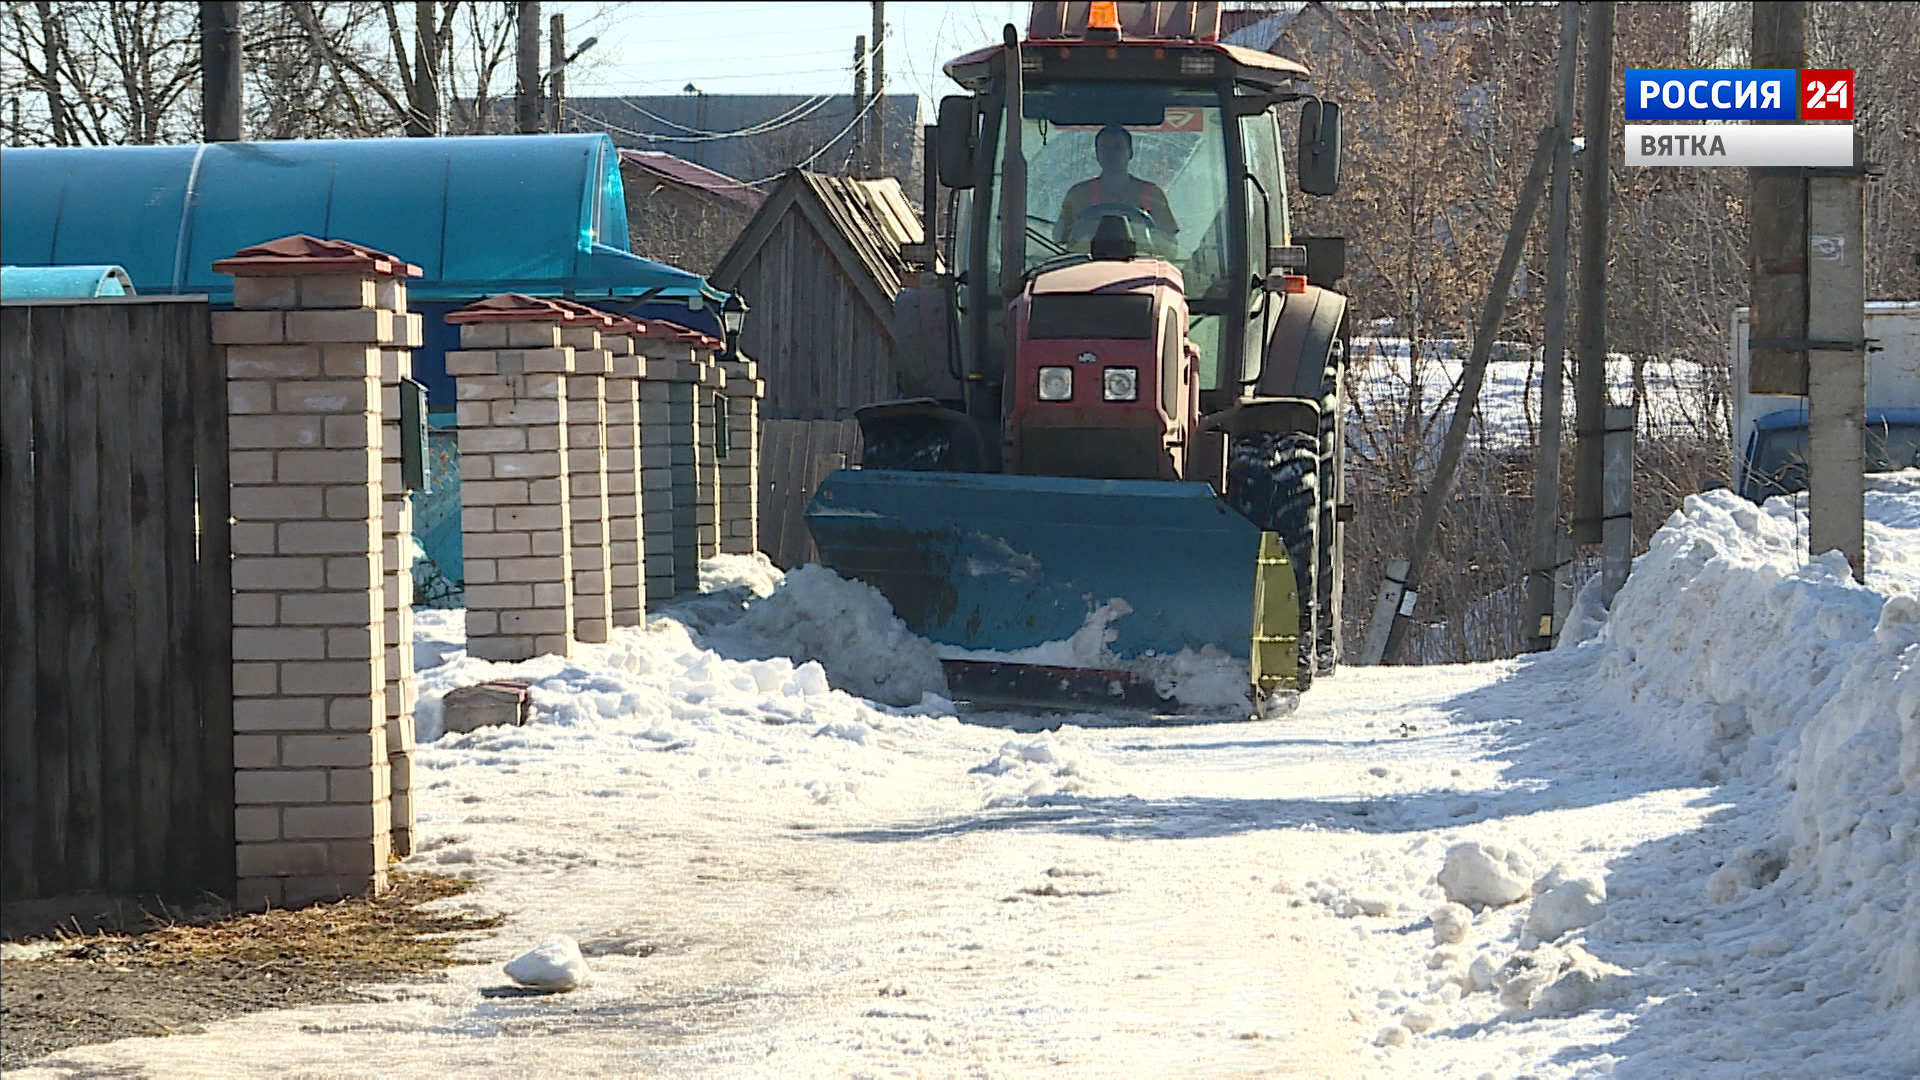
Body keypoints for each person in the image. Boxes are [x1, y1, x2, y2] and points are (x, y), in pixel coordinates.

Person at [1052, 124, 1179, 254]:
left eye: (1118, 147)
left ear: (1131, 153)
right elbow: (1060, 240)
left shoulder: (1152, 195)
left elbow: (1170, 246)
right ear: (1097, 154)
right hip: (1087, 264)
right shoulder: (1077, 195)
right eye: (1105, 148)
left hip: (1141, 264)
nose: (1111, 154)